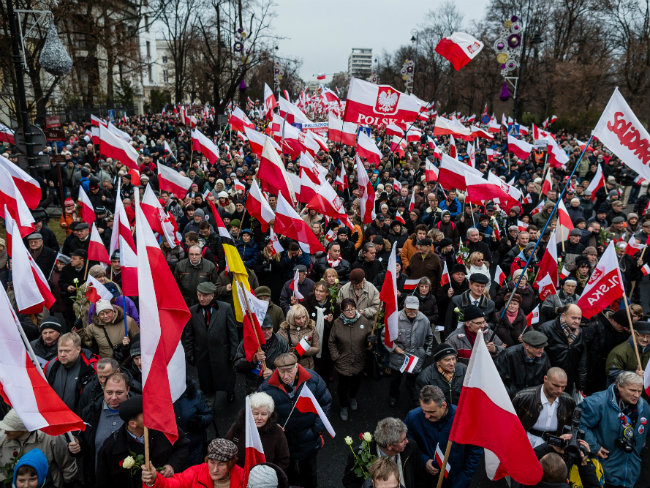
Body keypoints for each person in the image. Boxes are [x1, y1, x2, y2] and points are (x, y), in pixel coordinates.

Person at [258, 353, 332, 488]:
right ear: (277, 370)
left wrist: (315, 430)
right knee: (288, 475)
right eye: (282, 372)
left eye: (289, 371)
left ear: (297, 367)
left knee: (309, 474)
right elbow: (261, 414)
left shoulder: (313, 380)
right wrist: (273, 427)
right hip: (284, 441)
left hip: (309, 439)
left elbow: (325, 403)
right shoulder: (266, 387)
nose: (286, 376)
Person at [96, 396, 190, 488]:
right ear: (133, 424)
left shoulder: (165, 430)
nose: (152, 415)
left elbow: (183, 446)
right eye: (146, 414)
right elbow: (103, 480)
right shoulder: (112, 446)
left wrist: (172, 465)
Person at [579, 372, 649, 488]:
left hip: (631, 475)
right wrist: (594, 446)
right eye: (632, 390)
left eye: (639, 391)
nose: (636, 395)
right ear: (619, 386)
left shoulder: (644, 406)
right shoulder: (598, 402)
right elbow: (579, 424)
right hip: (603, 472)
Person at [404, 386, 482, 488]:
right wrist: (425, 460)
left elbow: (475, 451)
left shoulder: (464, 418)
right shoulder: (413, 418)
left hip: (456, 480)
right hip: (424, 480)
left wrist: (463, 480)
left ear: (443, 405)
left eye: (431, 412)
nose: (427, 416)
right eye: (423, 411)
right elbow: (406, 444)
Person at [182, 282, 238, 402]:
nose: (201, 299)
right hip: (202, 354)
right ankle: (209, 398)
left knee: (226, 376)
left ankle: (230, 392)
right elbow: (189, 335)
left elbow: (232, 332)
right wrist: (189, 353)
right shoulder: (192, 311)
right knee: (206, 379)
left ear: (212, 295)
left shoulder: (225, 308)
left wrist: (234, 351)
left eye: (204, 296)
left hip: (222, 352)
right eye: (199, 295)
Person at [71, 372, 131, 484]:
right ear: (103, 389)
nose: (114, 397)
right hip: (97, 479)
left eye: (119, 393)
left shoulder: (139, 412)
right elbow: (83, 440)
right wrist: (77, 445)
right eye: (109, 392)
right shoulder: (90, 412)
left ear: (127, 390)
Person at [0, 410, 78, 487]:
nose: (5, 431)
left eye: (10, 428)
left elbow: (67, 464)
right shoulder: (2, 438)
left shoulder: (51, 437)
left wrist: (68, 483)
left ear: (24, 429)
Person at [342, 417, 423, 488]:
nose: (407, 441)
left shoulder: (411, 447)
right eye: (403, 440)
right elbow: (349, 482)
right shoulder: (359, 455)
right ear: (389, 446)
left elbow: (420, 477)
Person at [328, 298, 372, 420]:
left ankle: (353, 397)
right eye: (347, 310)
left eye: (352, 309)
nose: (351, 312)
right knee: (343, 386)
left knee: (356, 383)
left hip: (359, 360)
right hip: (343, 361)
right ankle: (343, 405)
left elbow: (369, 342)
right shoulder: (337, 323)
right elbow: (331, 342)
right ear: (342, 311)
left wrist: (372, 342)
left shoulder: (364, 321)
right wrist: (335, 356)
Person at [388, 296, 434, 408]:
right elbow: (386, 337)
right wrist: (394, 348)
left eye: (414, 309)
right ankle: (393, 396)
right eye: (409, 309)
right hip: (398, 356)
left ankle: (413, 400)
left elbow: (430, 337)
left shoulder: (424, 320)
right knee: (395, 380)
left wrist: (426, 353)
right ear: (404, 307)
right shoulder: (394, 318)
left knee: (413, 381)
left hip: (415, 357)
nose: (412, 311)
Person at [141, 438, 244, 488]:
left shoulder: (244, 478)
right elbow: (170, 484)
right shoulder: (195, 473)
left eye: (221, 464)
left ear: (231, 464)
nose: (215, 469)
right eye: (212, 462)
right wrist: (154, 480)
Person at [512, 367, 576, 448]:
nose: (560, 390)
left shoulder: (569, 401)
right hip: (526, 441)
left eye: (563, 387)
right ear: (545, 379)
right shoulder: (523, 397)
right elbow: (509, 424)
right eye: (556, 385)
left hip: (555, 444)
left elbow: (572, 427)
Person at [225, 392, 290, 471]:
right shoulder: (237, 428)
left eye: (263, 414)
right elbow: (226, 452)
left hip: (266, 478)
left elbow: (284, 459)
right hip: (239, 475)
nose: (259, 418)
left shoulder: (277, 432)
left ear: (269, 415)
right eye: (255, 413)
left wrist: (270, 474)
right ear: (249, 413)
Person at [537, 304, 587, 394]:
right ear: (564, 316)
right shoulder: (546, 329)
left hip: (568, 382)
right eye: (574, 318)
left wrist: (581, 384)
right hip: (550, 380)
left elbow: (582, 360)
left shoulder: (580, 333)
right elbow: (540, 357)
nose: (577, 321)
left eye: (579, 318)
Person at [234, 314, 289, 393]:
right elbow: (237, 364)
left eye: (269, 328)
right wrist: (253, 359)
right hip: (252, 388)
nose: (266, 332)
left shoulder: (281, 342)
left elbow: (288, 365)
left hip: (274, 387)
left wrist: (273, 373)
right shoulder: (247, 341)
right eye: (263, 329)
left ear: (273, 328)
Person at [44, 332, 97, 412]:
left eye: (67, 351)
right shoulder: (50, 366)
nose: (62, 354)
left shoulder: (90, 368)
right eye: (60, 351)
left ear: (78, 349)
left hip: (79, 419)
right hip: (54, 416)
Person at [495, 330, 551, 397]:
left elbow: (546, 377)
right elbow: (498, 378)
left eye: (543, 347)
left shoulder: (543, 356)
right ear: (526, 346)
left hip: (533, 397)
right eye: (538, 347)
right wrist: (511, 395)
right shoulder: (508, 355)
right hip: (513, 398)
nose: (542, 351)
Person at [444, 273, 495, 338]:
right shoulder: (456, 300)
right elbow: (449, 323)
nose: (480, 289)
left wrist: (487, 325)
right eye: (477, 286)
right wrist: (448, 339)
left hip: (482, 337)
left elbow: (493, 323)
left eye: (482, 286)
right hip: (459, 338)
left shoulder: (490, 304)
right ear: (470, 285)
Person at [605, 320, 650, 384]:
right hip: (626, 391)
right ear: (634, 333)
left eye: (648, 336)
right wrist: (634, 375)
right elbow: (612, 372)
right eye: (642, 335)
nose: (645, 339)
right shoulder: (619, 352)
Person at [277, 304, 321, 370]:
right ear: (292, 318)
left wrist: (301, 350)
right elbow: (278, 349)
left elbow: (317, 348)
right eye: (298, 318)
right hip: (290, 367)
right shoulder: (284, 329)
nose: (302, 321)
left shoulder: (311, 328)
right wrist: (290, 351)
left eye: (303, 317)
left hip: (308, 367)